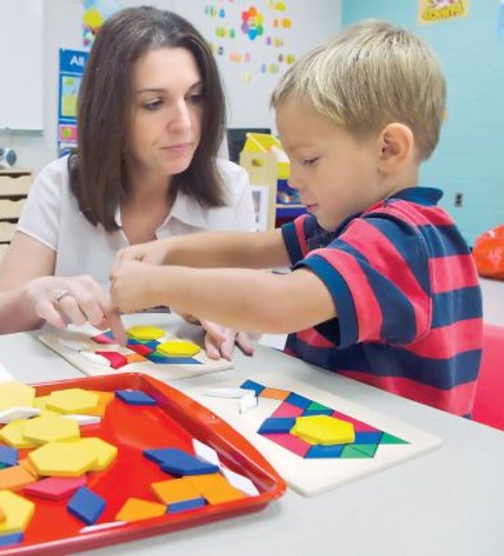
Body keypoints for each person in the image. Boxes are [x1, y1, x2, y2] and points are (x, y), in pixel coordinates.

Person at [110, 21, 482, 416]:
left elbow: (280, 303)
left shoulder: (399, 236)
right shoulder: (343, 225)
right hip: (343, 426)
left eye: (309, 160)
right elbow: (253, 248)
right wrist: (166, 249)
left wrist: (160, 284)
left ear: (388, 149)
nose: (293, 177)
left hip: (398, 451)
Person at [0, 6, 257, 359]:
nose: (185, 123)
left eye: (195, 97)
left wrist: (229, 315)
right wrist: (36, 295)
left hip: (195, 390)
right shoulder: (60, 182)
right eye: (155, 103)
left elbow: (254, 317)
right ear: (110, 110)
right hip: (76, 389)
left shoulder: (230, 186)